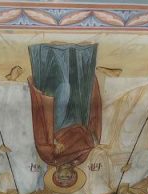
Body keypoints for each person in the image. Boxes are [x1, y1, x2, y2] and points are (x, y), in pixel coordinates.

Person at [28, 43, 102, 174]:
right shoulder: (80, 159)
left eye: (62, 177)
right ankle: (76, 53)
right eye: (68, 177)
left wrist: (54, 143)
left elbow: (41, 142)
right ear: (73, 174)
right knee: (78, 89)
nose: (66, 175)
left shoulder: (49, 159)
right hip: (78, 121)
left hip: (57, 126)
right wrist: (94, 142)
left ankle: (52, 53)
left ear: (57, 174)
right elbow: (92, 140)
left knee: (64, 88)